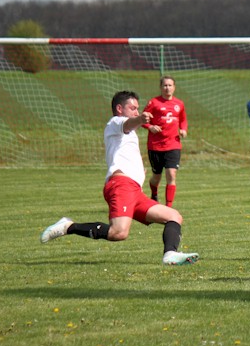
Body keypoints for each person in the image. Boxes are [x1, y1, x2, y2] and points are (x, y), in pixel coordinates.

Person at [40, 90, 199, 266]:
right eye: (133, 108)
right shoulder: (115, 123)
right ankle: (68, 227)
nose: (137, 112)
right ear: (119, 108)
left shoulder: (128, 133)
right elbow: (128, 123)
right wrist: (140, 120)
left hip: (134, 190)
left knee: (174, 216)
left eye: (138, 109)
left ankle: (170, 254)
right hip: (121, 186)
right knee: (119, 233)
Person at [143, 76, 188, 207]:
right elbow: (142, 119)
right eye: (165, 85)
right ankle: (154, 194)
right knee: (156, 177)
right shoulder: (154, 103)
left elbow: (183, 120)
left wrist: (183, 129)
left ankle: (169, 206)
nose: (167, 88)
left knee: (171, 174)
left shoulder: (179, 104)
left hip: (173, 144)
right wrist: (150, 127)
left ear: (174, 87)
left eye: (170, 85)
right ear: (161, 87)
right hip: (156, 146)